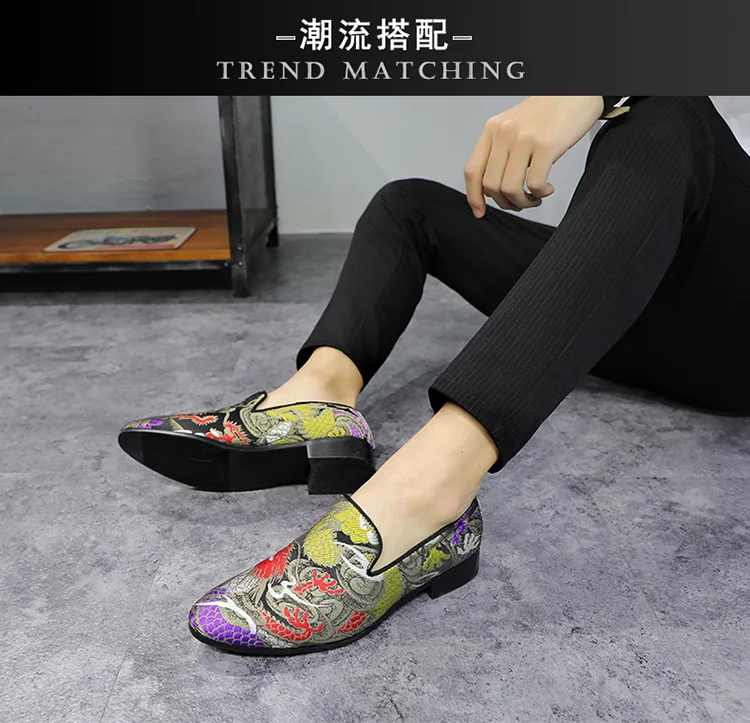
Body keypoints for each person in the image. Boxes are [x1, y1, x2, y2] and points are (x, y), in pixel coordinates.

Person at [120, 96, 750, 656]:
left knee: (668, 113)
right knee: (409, 206)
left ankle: (429, 494)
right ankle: (318, 398)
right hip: (638, 270)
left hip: (730, 328)